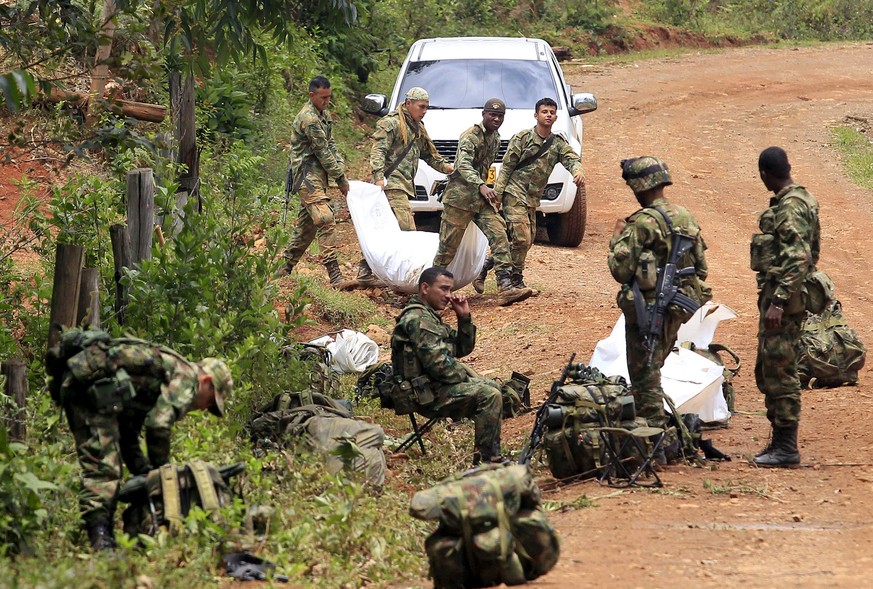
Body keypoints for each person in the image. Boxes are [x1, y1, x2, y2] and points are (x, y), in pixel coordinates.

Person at [53, 335, 232, 550]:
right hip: (89, 385)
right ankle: (100, 542)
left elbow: (128, 432)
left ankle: (106, 536)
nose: (204, 408)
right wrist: (164, 474)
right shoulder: (187, 377)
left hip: (85, 383)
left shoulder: (155, 382)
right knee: (103, 467)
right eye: (210, 402)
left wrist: (143, 470)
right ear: (207, 382)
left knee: (107, 463)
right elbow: (158, 424)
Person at [607, 156, 711, 443]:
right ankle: (656, 424)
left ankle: (655, 437)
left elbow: (620, 270)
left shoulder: (641, 223)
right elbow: (701, 267)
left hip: (649, 310)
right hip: (680, 305)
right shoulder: (685, 216)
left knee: (644, 374)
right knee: (654, 366)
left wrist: (616, 240)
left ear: (639, 187)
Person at [390, 267, 505, 464]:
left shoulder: (429, 317)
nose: (448, 295)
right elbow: (440, 367)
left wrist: (464, 317)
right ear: (425, 288)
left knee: (494, 389)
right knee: (489, 394)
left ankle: (487, 453)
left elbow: (462, 348)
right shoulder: (419, 320)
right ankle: (489, 462)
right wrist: (468, 377)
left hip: (431, 387)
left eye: (450, 290)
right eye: (443, 289)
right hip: (423, 395)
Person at [751, 146, 820, 467]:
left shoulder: (790, 207)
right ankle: (779, 441)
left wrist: (777, 301)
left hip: (785, 300)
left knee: (780, 369)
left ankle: (786, 447)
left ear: (766, 174)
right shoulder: (802, 198)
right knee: (772, 367)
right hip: (788, 295)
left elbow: (798, 256)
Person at [478, 97, 585, 294]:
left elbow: (572, 159)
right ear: (536, 115)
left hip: (532, 199)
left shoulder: (558, 144)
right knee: (521, 237)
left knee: (525, 241)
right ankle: (510, 281)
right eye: (544, 112)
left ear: (555, 117)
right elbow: (506, 168)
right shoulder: (522, 139)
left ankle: (491, 268)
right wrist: (498, 196)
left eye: (552, 112)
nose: (548, 115)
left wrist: (577, 171)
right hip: (513, 194)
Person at [433, 98, 532, 306]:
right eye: (492, 115)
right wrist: (481, 185)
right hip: (459, 199)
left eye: (500, 116)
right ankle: (429, 294)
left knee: (500, 234)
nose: (496, 119)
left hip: (480, 200)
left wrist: (490, 191)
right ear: (483, 115)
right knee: (447, 249)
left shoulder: (496, 138)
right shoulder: (471, 136)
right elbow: (462, 165)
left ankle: (505, 286)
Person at [358, 87, 454, 285]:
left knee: (386, 229)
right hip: (391, 184)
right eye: (421, 106)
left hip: (403, 184)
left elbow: (430, 154)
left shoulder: (418, 127)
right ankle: (409, 276)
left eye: (427, 107)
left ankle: (366, 270)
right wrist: (377, 176)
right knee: (406, 229)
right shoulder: (391, 123)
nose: (424, 110)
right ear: (408, 103)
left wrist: (448, 168)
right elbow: (378, 151)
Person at [278, 76, 353, 288]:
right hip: (306, 177)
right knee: (325, 218)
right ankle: (335, 276)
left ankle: (282, 270)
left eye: (329, 97)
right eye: (323, 98)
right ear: (312, 96)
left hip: (318, 177)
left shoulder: (323, 115)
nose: (327, 101)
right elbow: (322, 151)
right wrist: (340, 178)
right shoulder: (309, 119)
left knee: (307, 229)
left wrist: (339, 166)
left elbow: (331, 144)